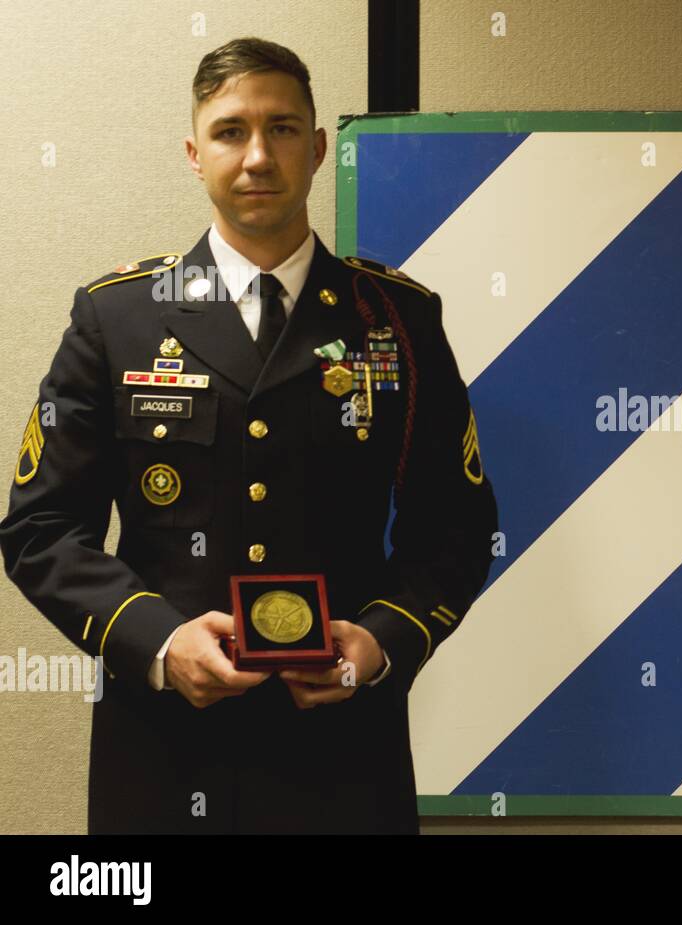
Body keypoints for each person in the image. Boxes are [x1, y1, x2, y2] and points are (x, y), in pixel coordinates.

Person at [0, 37, 498, 833]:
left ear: (318, 147)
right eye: (231, 131)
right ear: (195, 154)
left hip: (345, 759)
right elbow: (40, 528)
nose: (258, 155)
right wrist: (158, 642)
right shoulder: (118, 316)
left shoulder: (398, 319)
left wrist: (378, 643)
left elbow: (458, 526)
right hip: (163, 756)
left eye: (283, 128)